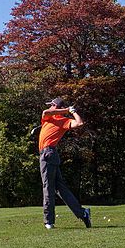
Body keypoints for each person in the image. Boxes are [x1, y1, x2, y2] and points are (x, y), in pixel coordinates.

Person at [38, 97, 91, 229]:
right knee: (59, 188)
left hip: (48, 154)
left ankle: (49, 221)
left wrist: (72, 111)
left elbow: (79, 123)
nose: (49, 107)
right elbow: (46, 112)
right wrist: (67, 110)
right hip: (50, 154)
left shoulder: (63, 121)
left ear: (55, 106)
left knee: (48, 187)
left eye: (51, 105)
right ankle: (82, 213)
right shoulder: (49, 117)